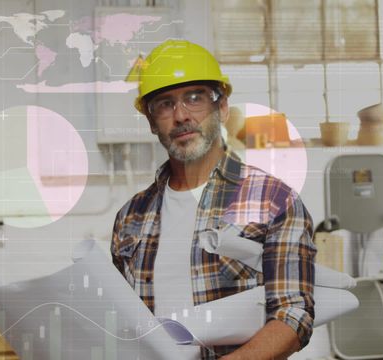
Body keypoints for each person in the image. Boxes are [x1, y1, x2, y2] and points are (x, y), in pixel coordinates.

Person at [111, 39, 316, 360]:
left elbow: (293, 316)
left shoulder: (273, 200)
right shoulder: (130, 216)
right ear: (151, 121)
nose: (180, 116)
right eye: (164, 104)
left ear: (221, 107)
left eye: (194, 98)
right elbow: (122, 322)